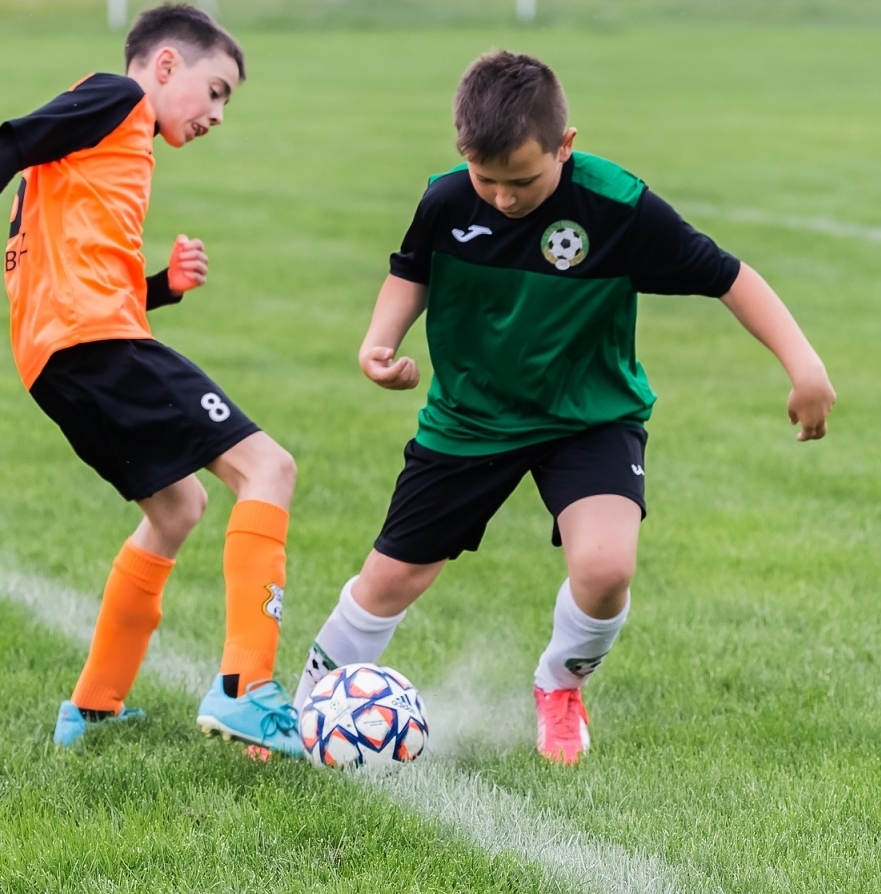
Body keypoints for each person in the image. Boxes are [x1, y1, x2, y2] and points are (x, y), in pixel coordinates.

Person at [294, 50, 836, 764]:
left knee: (607, 567)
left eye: (522, 180)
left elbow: (728, 276)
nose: (502, 198)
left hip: (590, 415)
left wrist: (805, 367)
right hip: (471, 417)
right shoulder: (448, 199)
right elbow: (411, 270)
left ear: (566, 145)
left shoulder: (618, 207)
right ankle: (306, 709)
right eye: (486, 178)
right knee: (391, 578)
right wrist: (378, 342)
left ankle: (559, 683)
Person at [0, 4, 303, 755]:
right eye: (218, 89)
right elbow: (8, 140)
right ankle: (247, 688)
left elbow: (77, 266)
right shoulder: (120, 98)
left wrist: (163, 285)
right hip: (95, 345)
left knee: (177, 507)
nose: (219, 114)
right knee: (269, 466)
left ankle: (93, 707)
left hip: (57, 359)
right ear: (166, 65)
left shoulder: (106, 139)